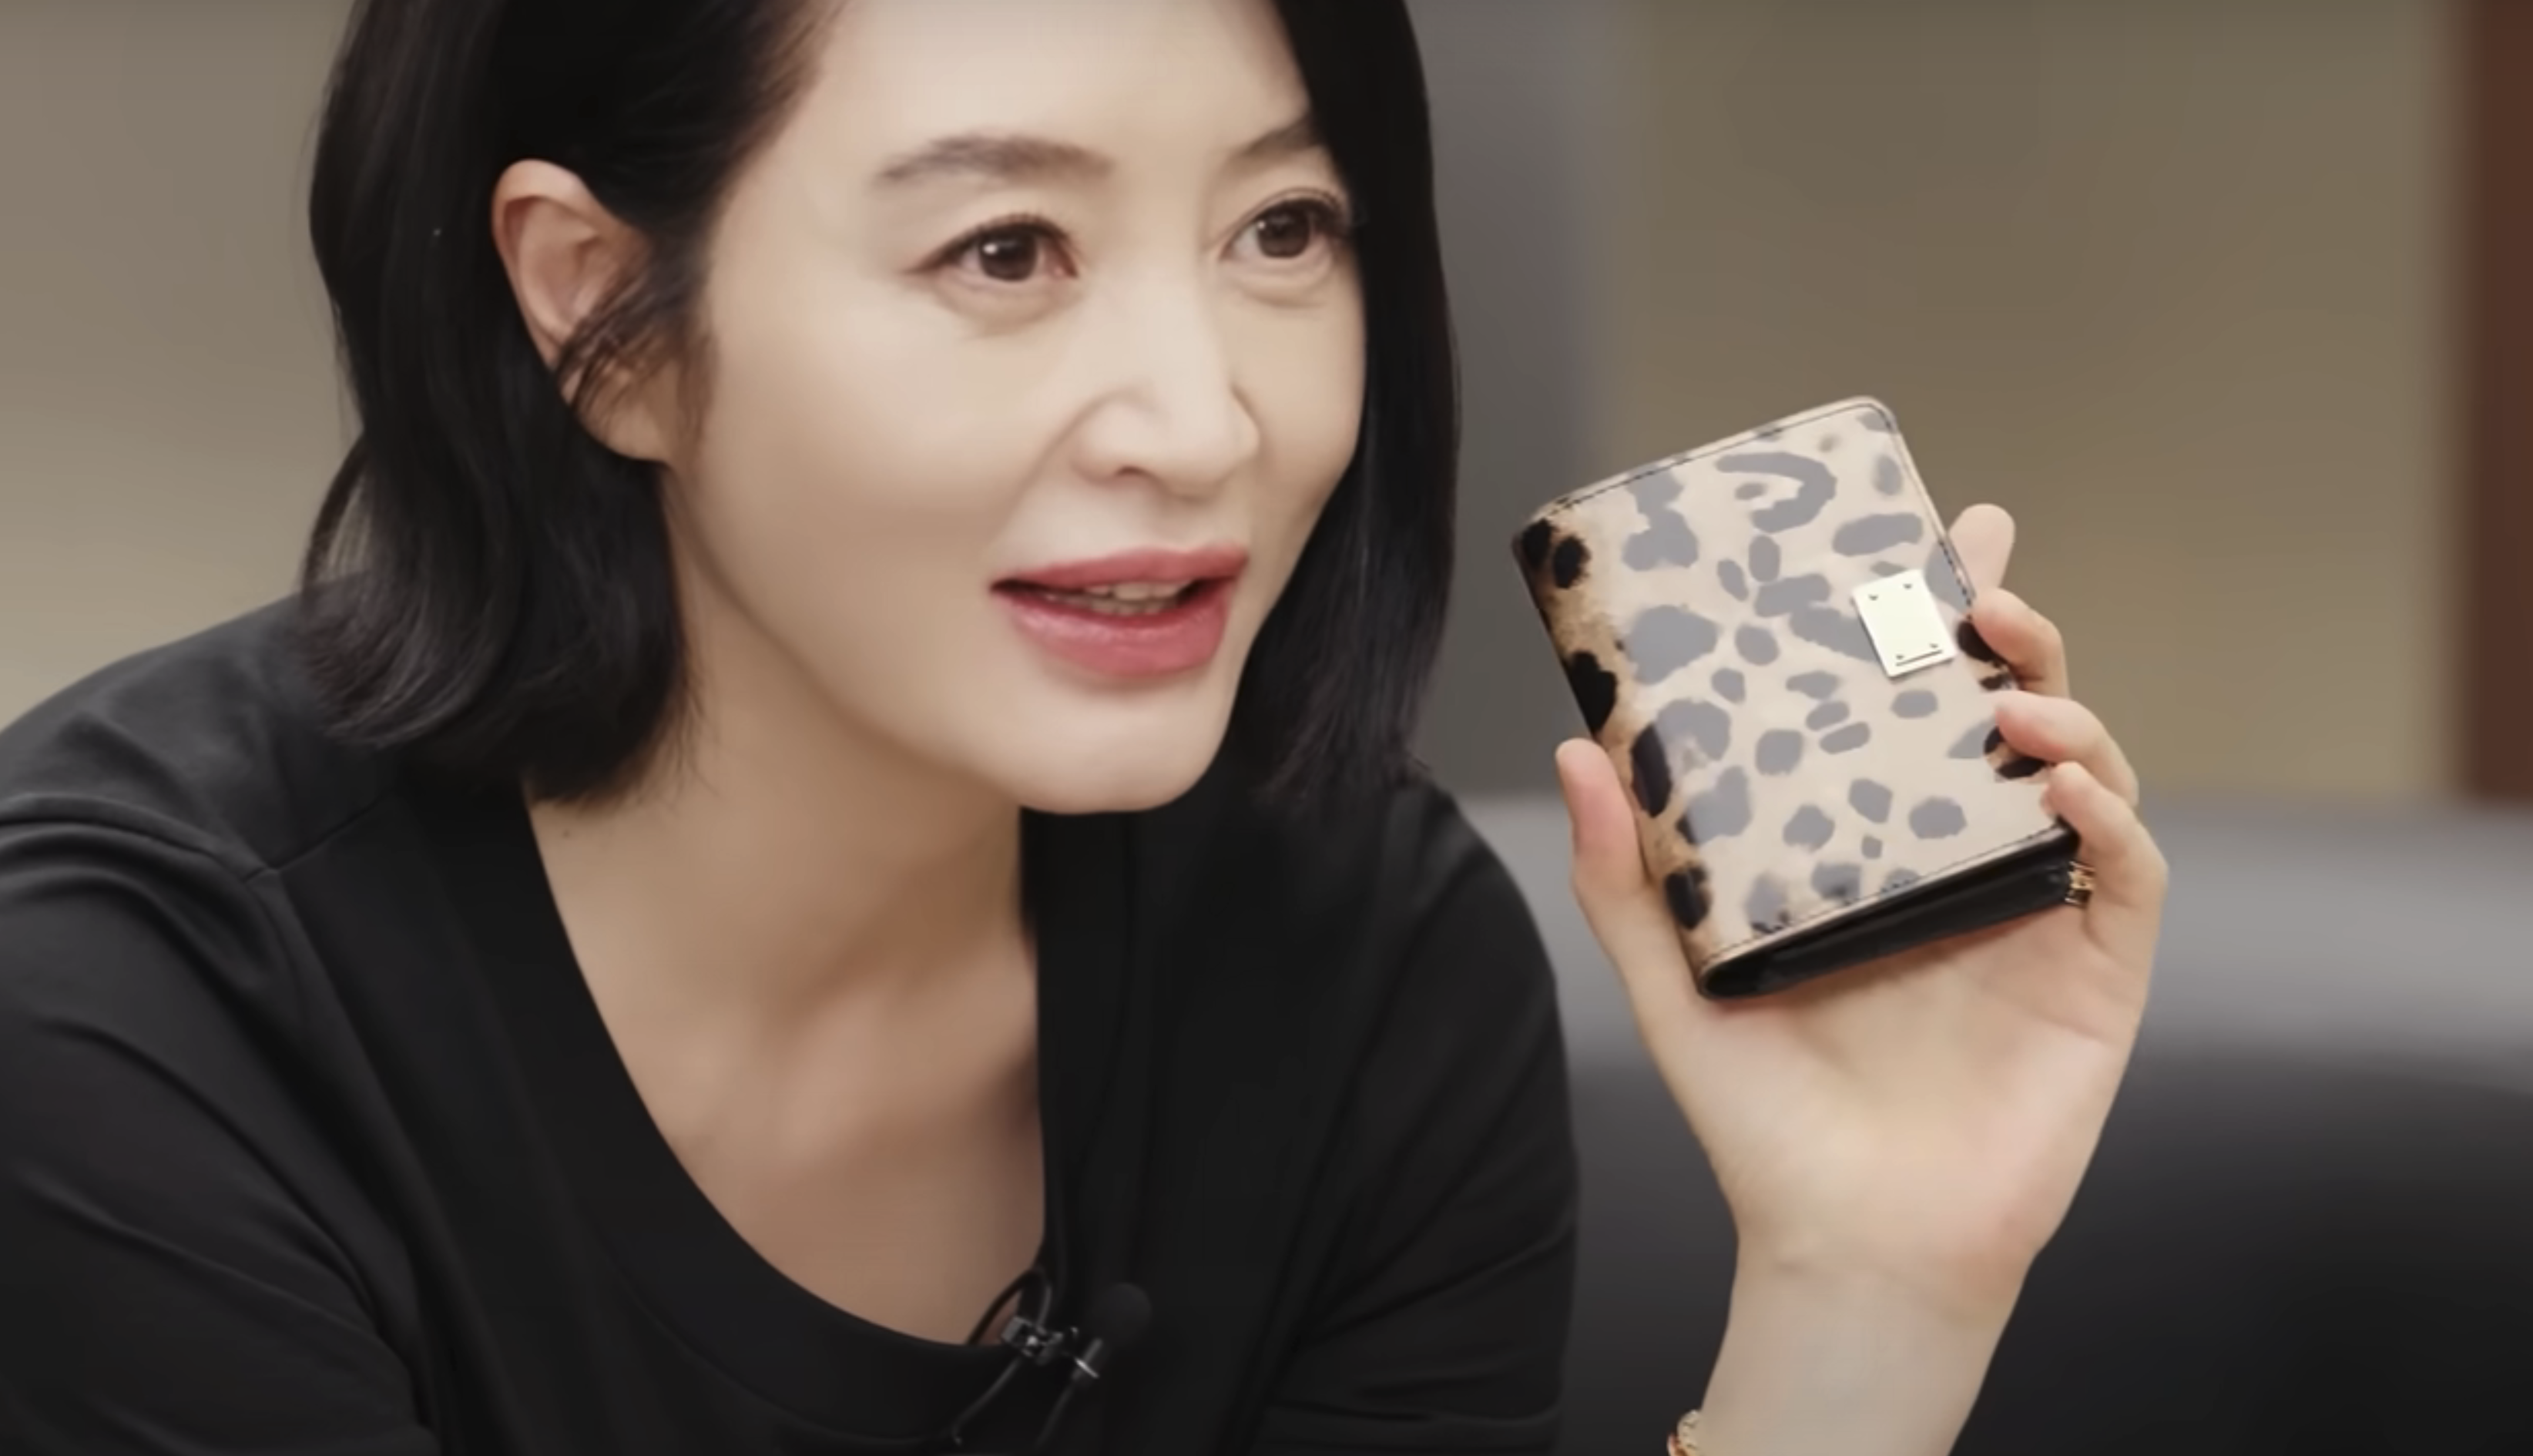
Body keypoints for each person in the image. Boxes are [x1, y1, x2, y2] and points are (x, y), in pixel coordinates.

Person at [0, 1, 2166, 1451]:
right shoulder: (130, 1017)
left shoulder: (1362, 961)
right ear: (603, 316)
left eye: (1283, 228)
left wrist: (1869, 1288)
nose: (1203, 421)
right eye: (1007, 249)